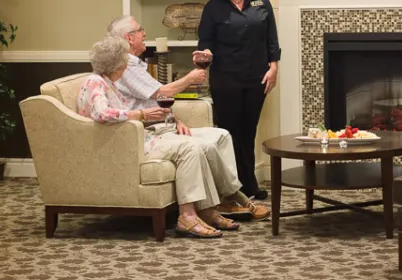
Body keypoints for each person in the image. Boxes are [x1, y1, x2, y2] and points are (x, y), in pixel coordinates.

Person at [77, 36, 267, 239]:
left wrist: (157, 116)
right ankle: (188, 216)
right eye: (124, 59)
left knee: (205, 146)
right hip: (128, 144)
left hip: (138, 137)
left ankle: (209, 209)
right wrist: (142, 115)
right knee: (190, 148)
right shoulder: (95, 83)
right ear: (115, 64)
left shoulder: (108, 83)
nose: (126, 63)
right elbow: (102, 114)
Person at [192, 0, 281, 200]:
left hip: (257, 77)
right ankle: (232, 188)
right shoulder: (213, 7)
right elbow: (206, 42)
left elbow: (270, 37)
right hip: (226, 79)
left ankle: (249, 183)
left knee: (249, 130)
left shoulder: (260, 1)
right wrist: (205, 53)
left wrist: (274, 67)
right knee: (229, 132)